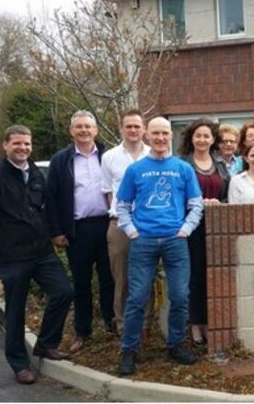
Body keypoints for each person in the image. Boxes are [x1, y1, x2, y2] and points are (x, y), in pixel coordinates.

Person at [0, 125, 74, 385]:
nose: (23, 148)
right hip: (11, 256)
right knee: (15, 311)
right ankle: (19, 363)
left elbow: (44, 208)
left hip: (41, 252)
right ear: (5, 145)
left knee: (63, 291)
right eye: (17, 144)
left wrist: (54, 233)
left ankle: (45, 344)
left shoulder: (35, 174)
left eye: (27, 144)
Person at [115, 117, 204, 375]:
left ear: (171, 136)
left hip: (175, 241)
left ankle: (176, 344)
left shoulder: (183, 169)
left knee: (179, 295)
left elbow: (196, 204)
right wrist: (132, 232)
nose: (161, 138)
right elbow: (122, 205)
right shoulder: (135, 170)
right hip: (143, 241)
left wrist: (184, 230)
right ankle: (129, 350)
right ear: (147, 135)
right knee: (137, 298)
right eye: (155, 133)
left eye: (165, 133)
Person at [46, 110, 114, 353]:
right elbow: (51, 198)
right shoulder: (60, 160)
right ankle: (82, 331)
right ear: (71, 130)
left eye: (88, 126)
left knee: (110, 279)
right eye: (79, 127)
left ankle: (111, 324)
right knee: (81, 283)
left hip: (107, 226)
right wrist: (56, 231)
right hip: (77, 230)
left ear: (96, 130)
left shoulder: (108, 156)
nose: (84, 131)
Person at [100, 109, 154, 339]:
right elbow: (107, 192)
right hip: (120, 226)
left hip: (148, 226)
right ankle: (124, 326)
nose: (133, 130)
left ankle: (145, 326)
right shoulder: (110, 157)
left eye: (137, 126)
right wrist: (121, 216)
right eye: (128, 126)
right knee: (121, 279)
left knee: (146, 277)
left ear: (144, 129)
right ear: (122, 128)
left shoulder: (155, 154)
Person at [178, 119, 230, 346]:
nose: (202, 139)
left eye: (206, 136)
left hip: (216, 226)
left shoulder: (220, 163)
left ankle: (210, 322)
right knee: (194, 276)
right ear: (191, 138)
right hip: (191, 226)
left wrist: (219, 204)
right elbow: (177, 195)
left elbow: (227, 193)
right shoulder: (182, 164)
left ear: (212, 139)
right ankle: (195, 324)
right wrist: (199, 203)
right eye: (198, 135)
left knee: (213, 274)